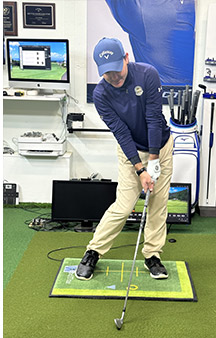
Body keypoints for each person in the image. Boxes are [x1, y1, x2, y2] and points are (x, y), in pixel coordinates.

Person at [75, 37, 174, 281]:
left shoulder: (147, 74)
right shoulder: (101, 94)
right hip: (130, 151)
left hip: (160, 146)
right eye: (107, 73)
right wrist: (141, 170)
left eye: (117, 70)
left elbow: (153, 117)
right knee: (123, 206)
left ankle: (153, 255)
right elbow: (121, 133)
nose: (114, 77)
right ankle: (93, 251)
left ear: (126, 58)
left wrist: (154, 160)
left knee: (157, 204)